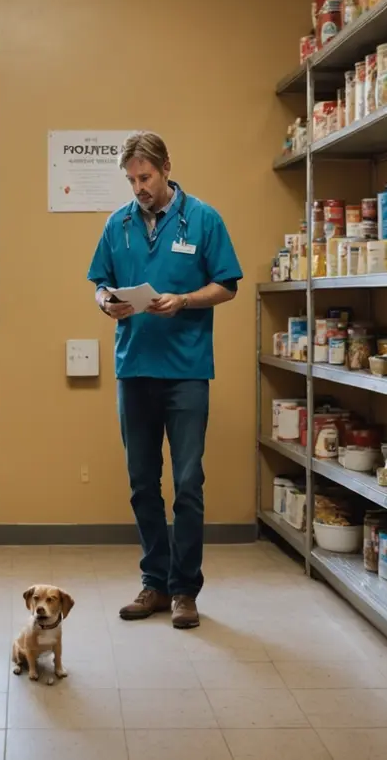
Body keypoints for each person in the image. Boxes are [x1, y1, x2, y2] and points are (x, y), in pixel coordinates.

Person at [86, 131, 242, 629]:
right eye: (132, 180)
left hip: (187, 373)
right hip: (134, 371)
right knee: (141, 484)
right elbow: (99, 282)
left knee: (188, 483)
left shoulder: (203, 218)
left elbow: (227, 285)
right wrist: (105, 302)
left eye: (146, 177)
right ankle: (154, 582)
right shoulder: (119, 224)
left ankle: (184, 590)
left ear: (166, 168)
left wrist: (185, 300)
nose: (139, 188)